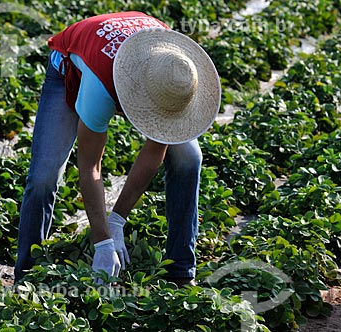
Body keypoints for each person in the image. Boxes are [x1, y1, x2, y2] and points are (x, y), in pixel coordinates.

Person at [14, 11, 221, 286]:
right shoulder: (100, 87)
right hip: (72, 67)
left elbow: (153, 154)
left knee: (189, 157)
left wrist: (117, 221)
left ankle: (181, 271)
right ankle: (27, 276)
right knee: (44, 176)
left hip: (139, 61)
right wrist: (102, 243)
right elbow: (90, 166)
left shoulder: (173, 69)